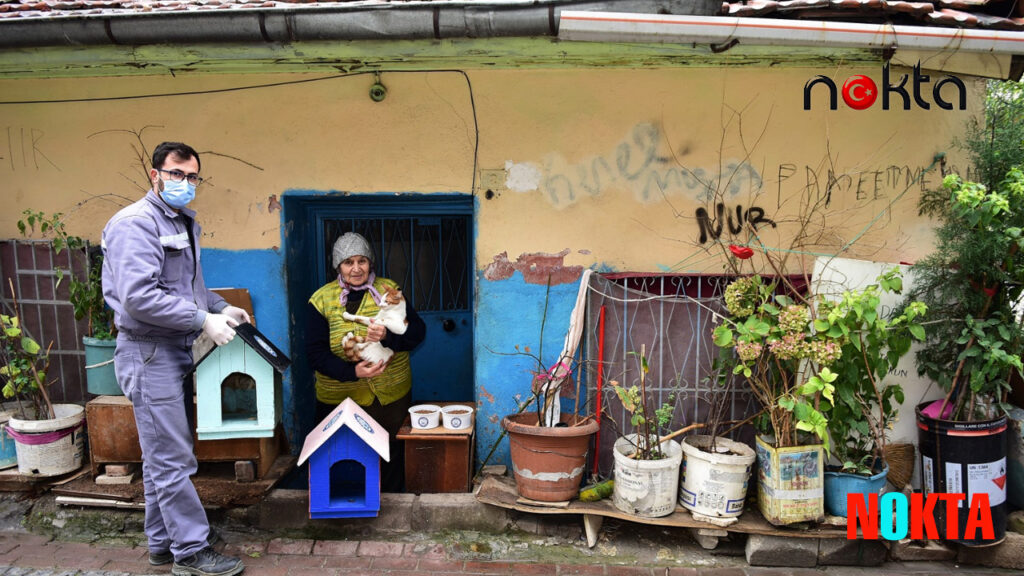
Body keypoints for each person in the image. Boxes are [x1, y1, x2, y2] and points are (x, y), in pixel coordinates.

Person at [102, 141, 248, 576]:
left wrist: (219, 307)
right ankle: (191, 553)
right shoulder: (135, 224)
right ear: (155, 175)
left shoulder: (182, 222)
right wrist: (202, 319)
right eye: (176, 174)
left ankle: (163, 545)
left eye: (191, 176)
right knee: (172, 459)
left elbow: (187, 287)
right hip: (148, 352)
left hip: (172, 350)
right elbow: (140, 297)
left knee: (160, 455)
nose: (185, 183)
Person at [306, 232, 427, 492]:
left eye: (362, 260)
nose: (356, 268)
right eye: (348, 262)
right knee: (342, 455)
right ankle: (347, 509)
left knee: (392, 455)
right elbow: (314, 354)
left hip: (390, 398)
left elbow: (418, 333)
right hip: (340, 397)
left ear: (370, 263)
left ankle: (393, 507)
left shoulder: (390, 290)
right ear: (338, 266)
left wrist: (388, 336)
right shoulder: (321, 299)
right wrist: (353, 372)